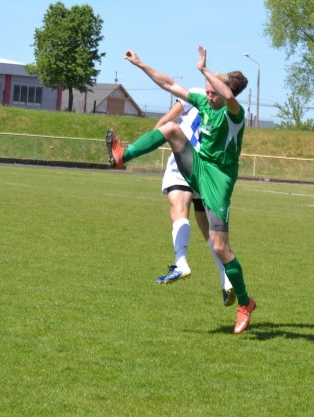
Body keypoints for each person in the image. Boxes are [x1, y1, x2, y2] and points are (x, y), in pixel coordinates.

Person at [106, 46, 256, 334]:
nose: (208, 95)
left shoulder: (234, 113)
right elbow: (170, 83)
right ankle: (123, 155)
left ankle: (244, 303)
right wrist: (140, 64)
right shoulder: (204, 100)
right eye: (207, 91)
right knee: (172, 129)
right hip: (199, 166)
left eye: (212, 92)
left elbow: (225, 95)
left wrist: (204, 70)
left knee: (220, 246)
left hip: (220, 179)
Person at [153, 89, 236, 307]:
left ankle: (181, 262)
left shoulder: (196, 94)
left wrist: (150, 139)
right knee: (207, 227)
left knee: (178, 210)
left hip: (184, 159)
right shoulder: (227, 108)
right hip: (206, 167)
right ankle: (226, 278)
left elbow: (166, 121)